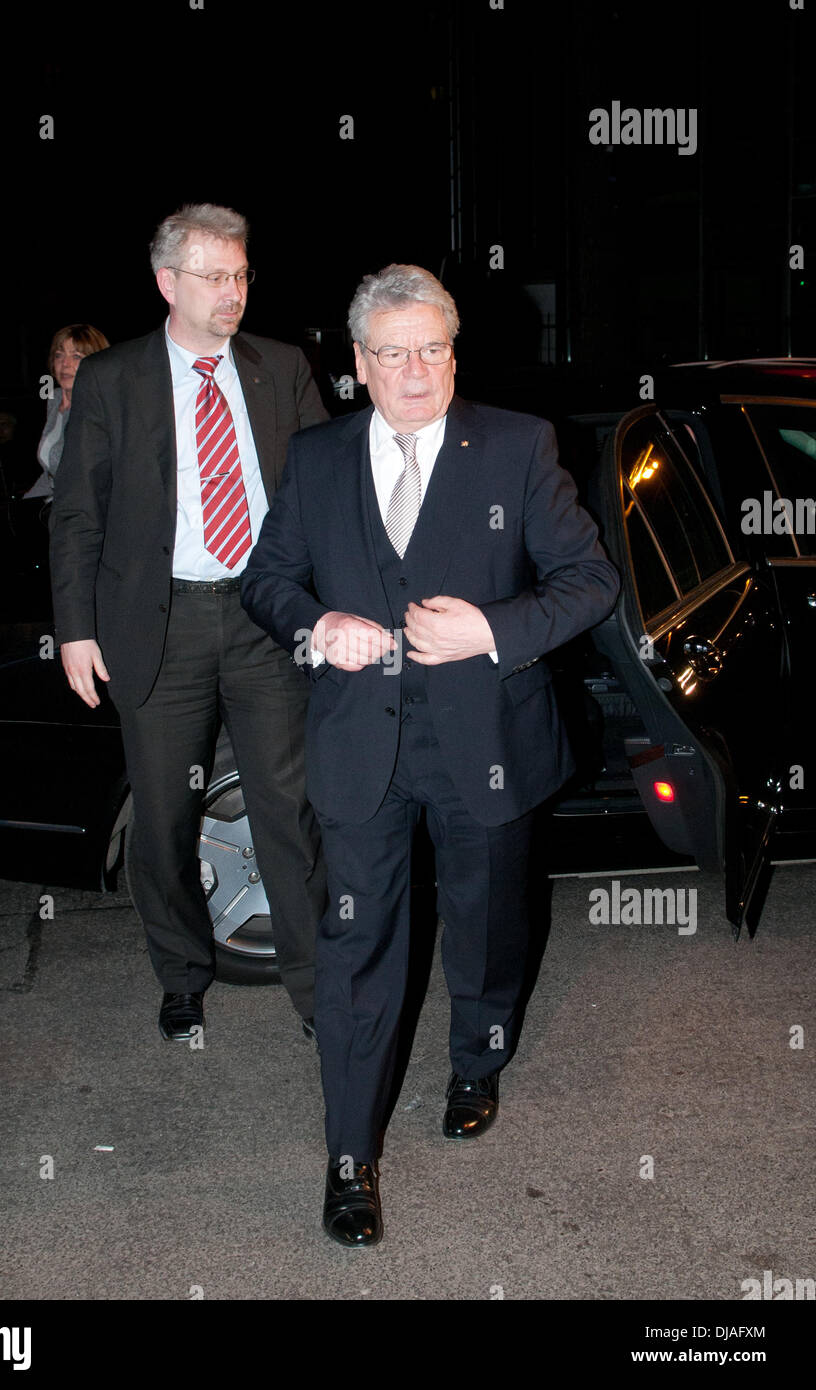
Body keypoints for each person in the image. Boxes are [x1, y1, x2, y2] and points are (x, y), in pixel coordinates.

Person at [241, 264, 620, 1246]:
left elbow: (589, 585)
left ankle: (475, 1061)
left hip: (486, 745)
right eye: (393, 352)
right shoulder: (316, 458)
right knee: (358, 951)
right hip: (361, 751)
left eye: (434, 349)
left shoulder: (517, 447)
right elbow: (269, 580)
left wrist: (492, 629)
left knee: (489, 929)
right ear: (359, 362)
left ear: (455, 352)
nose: (416, 370)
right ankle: (349, 1156)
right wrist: (318, 624)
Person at [49, 203, 329, 1043]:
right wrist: (75, 629)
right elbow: (76, 518)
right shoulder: (113, 381)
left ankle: (318, 992)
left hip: (263, 620)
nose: (234, 292)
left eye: (242, 274)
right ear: (167, 282)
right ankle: (181, 973)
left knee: (288, 809)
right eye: (215, 276)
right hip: (157, 628)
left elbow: (324, 495)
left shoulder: (281, 369)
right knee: (165, 819)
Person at [23, 324, 109, 499]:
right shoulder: (54, 399)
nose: (65, 363)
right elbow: (51, 474)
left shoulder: (100, 407)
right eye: (59, 354)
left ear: (97, 362)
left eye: (76, 356)